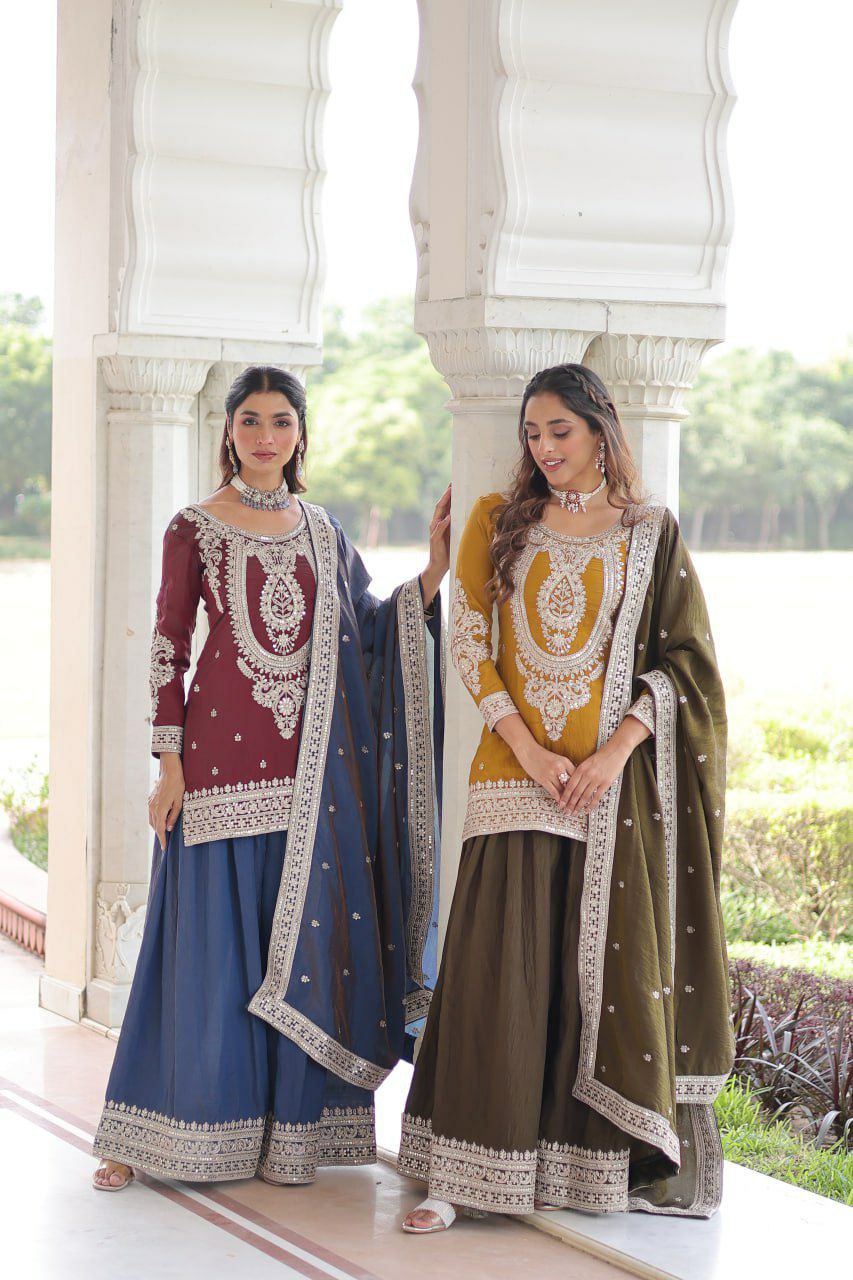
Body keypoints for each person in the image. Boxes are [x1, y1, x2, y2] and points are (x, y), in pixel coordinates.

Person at [92, 365, 450, 1189]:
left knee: (299, 954)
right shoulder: (193, 527)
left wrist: (431, 571)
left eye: (279, 420)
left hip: (313, 777)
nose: (264, 435)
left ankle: (287, 1134)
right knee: (199, 955)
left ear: (299, 433)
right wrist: (168, 764)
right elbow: (167, 649)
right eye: (249, 420)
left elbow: (368, 631)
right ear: (228, 431)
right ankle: (150, 1132)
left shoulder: (324, 532)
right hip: (214, 772)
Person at [398, 363, 733, 1232]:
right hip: (511, 779)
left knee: (588, 988)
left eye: (560, 431)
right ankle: (460, 1174)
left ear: (599, 431)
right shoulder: (497, 521)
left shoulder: (649, 535)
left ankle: (571, 1169)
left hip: (604, 795)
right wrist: (527, 748)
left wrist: (613, 754)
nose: (545, 448)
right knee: (494, 976)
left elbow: (687, 665)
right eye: (532, 434)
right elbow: (469, 642)